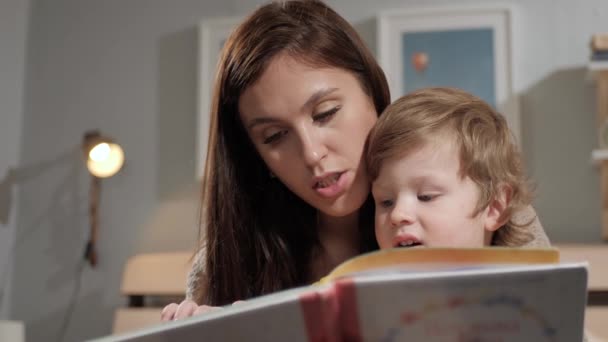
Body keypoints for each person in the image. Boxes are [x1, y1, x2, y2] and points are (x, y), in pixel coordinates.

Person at [161, 0, 550, 321]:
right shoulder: (229, 256)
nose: (312, 154)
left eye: (326, 113)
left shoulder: (485, 207)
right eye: (275, 136)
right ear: (255, 153)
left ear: (374, 94)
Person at [366, 87, 534, 250]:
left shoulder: (526, 277)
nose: (397, 215)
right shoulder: (368, 277)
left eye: (426, 197)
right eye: (386, 202)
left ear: (493, 207)